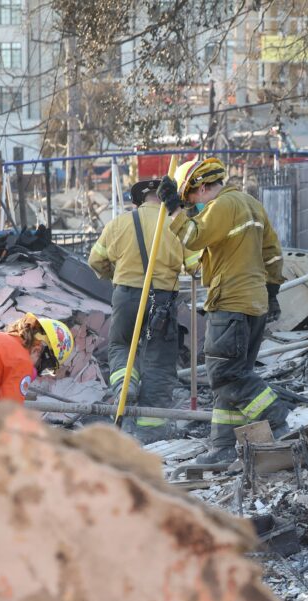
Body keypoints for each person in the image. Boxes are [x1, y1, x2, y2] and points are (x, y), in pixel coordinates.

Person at [156, 157, 288, 464]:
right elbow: (272, 255)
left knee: (225, 375)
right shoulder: (251, 205)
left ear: (201, 189)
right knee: (232, 379)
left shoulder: (223, 206)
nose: (192, 208)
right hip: (254, 304)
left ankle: (275, 418)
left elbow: (193, 236)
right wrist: (271, 290)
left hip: (230, 302)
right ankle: (223, 447)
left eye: (191, 199)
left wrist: (173, 208)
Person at [88, 179, 200, 443]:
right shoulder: (177, 224)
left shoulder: (118, 224)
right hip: (162, 300)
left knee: (121, 346)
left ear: (137, 201)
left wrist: (116, 274)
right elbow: (196, 267)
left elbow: (95, 260)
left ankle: (124, 387)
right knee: (158, 360)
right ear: (164, 199)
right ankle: (150, 430)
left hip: (126, 295)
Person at [0, 313, 73, 404]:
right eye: (44, 366)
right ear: (37, 351)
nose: (38, 373)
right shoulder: (23, 361)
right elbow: (5, 411)